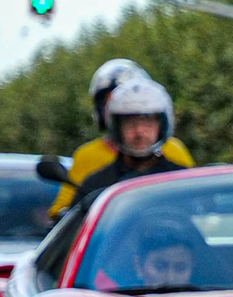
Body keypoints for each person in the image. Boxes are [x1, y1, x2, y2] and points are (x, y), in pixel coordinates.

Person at [50, 60, 195, 217]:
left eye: (147, 120)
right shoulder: (91, 171)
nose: (139, 131)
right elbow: (70, 219)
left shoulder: (175, 153)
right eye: (129, 121)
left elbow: (198, 209)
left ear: (161, 123)